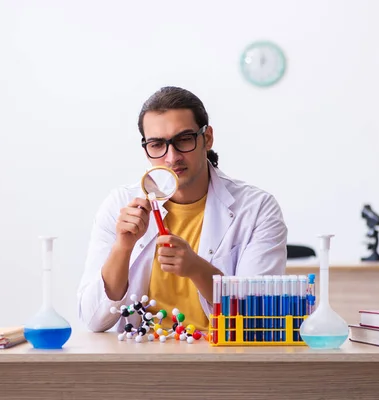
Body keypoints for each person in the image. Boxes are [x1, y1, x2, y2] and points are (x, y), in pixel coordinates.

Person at [77, 86, 287, 333]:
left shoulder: (257, 209)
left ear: (207, 138)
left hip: (220, 361)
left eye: (184, 139)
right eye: (157, 144)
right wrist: (123, 248)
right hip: (138, 359)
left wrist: (197, 269)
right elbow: (93, 320)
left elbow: (258, 318)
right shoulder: (120, 204)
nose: (171, 157)